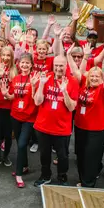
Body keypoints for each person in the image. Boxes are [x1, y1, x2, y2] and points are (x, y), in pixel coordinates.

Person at [33, 55, 79, 187]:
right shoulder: (45, 77)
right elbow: (37, 101)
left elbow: (71, 107)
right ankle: (45, 176)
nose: (58, 68)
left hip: (62, 128)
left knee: (63, 156)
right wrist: (41, 84)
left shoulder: (73, 81)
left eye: (61, 66)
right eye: (56, 65)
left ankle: (62, 177)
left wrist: (64, 91)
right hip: (43, 126)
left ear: (66, 66)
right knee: (44, 155)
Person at [69, 55, 104, 188]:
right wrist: (68, 54)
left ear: (101, 79)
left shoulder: (102, 90)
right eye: (92, 76)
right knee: (81, 155)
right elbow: (75, 70)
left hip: (96, 130)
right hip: (80, 126)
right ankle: (83, 179)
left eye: (97, 77)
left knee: (91, 158)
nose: (94, 78)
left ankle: (88, 184)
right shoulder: (84, 84)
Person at [1, 54, 39, 188]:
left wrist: (34, 86)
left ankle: (19, 174)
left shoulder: (35, 79)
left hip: (29, 118)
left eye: (27, 63)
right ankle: (25, 166)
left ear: (31, 65)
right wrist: (6, 94)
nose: (24, 65)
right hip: (15, 116)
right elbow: (13, 97)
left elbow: (37, 100)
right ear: (19, 64)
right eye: (22, 63)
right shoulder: (16, 78)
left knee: (22, 144)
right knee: (20, 142)